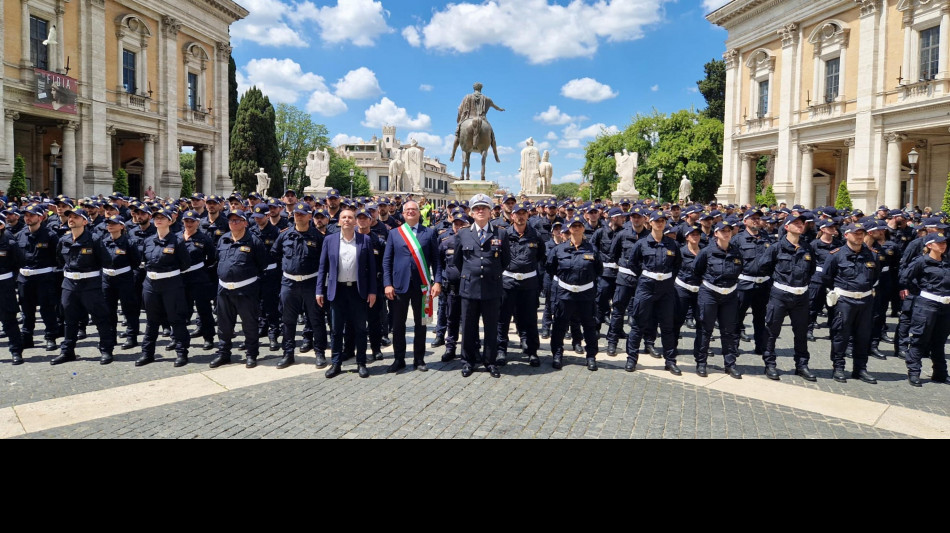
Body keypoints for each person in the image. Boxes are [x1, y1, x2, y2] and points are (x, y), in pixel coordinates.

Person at [451, 194, 510, 378]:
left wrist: (492, 273)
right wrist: (471, 274)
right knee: (468, 327)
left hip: (492, 287)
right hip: (469, 287)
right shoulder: (463, 233)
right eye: (477, 208)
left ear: (490, 211)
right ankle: (468, 361)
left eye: (484, 208)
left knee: (491, 327)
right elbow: (458, 260)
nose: (480, 211)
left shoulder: (501, 233)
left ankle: (490, 361)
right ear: (471, 212)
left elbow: (506, 260)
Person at [754, 214, 818, 381]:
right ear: (787, 227)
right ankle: (770, 364)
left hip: (801, 296)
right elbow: (763, 267)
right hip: (780, 295)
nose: (800, 225)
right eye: (795, 223)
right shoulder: (776, 248)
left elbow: (811, 270)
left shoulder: (807, 248)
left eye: (801, 223)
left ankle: (802, 365)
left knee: (801, 332)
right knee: (772, 330)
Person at [316, 205, 378, 379]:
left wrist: (372, 291)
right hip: (337, 290)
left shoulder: (365, 240)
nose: (347, 220)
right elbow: (322, 268)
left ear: (355, 221)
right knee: (336, 329)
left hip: (358, 290)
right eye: (344, 217)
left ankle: (361, 362)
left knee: (360, 328)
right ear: (339, 221)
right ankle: (336, 363)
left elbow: (372, 269)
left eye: (350, 217)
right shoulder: (330, 240)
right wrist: (319, 290)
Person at [383, 200, 442, 373]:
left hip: (422, 286)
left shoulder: (429, 232)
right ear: (403, 213)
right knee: (398, 325)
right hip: (399, 286)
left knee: (421, 324)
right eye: (407, 209)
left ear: (419, 212)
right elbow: (387, 261)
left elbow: (437, 261)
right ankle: (399, 359)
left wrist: (437, 282)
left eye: (414, 209)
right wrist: (387, 284)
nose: (410, 211)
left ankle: (419, 359)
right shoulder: (394, 233)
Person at [52, 208, 117, 365]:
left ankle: (106, 350)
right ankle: (67, 351)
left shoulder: (94, 239)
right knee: (70, 319)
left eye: (76, 217)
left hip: (90, 285)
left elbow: (106, 260)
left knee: (100, 318)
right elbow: (59, 260)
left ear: (85, 221)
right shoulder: (64, 239)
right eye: (70, 217)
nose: (71, 219)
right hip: (69, 285)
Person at [821, 222, 881, 384]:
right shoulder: (836, 255)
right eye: (856, 233)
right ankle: (838, 367)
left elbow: (875, 277)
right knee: (841, 335)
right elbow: (826, 277)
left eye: (862, 233)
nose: (859, 236)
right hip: (845, 300)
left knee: (863, 336)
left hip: (865, 300)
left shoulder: (872, 255)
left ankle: (860, 369)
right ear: (846, 235)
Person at [624, 210, 682, 375]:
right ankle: (631, 358)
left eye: (663, 221)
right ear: (650, 223)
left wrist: (667, 278)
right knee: (638, 324)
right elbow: (633, 263)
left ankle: (670, 361)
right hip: (646, 286)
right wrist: (646, 276)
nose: (660, 223)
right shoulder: (642, 243)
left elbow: (677, 264)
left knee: (667, 326)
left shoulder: (672, 244)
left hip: (666, 289)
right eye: (657, 221)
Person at [271, 202, 328, 370]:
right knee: (288, 320)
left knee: (316, 319)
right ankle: (288, 353)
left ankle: (319, 353)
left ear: (310, 216)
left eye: (303, 214)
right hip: (289, 283)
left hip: (311, 282)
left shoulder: (318, 237)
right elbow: (275, 253)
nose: (299, 217)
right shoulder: (284, 235)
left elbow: (324, 262)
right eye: (296, 214)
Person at [210, 210, 268, 369]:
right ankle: (224, 353)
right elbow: (217, 260)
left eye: (237, 220)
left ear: (245, 223)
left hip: (246, 290)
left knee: (249, 324)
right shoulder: (223, 239)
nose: (233, 223)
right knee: (224, 325)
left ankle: (251, 354)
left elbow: (262, 264)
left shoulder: (254, 241)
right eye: (231, 220)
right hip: (224, 290)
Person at [546, 215, 603, 371]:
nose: (576, 228)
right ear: (569, 229)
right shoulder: (559, 249)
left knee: (589, 326)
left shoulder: (592, 249)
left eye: (579, 226)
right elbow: (551, 269)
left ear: (583, 228)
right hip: (565, 293)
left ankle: (591, 356)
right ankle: (557, 354)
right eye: (573, 226)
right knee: (559, 325)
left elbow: (599, 270)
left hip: (586, 294)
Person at [136, 208, 192, 367]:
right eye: (156, 217)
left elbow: (185, 264)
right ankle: (147, 353)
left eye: (162, 217)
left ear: (170, 221)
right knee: (151, 321)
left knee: (176, 319)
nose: (158, 220)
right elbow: (144, 261)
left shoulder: (177, 241)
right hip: (150, 284)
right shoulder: (148, 240)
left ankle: (181, 353)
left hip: (171, 284)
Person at [691, 221, 745, 378]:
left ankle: (730, 364)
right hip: (710, 293)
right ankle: (701, 363)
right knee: (705, 329)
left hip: (730, 295)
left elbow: (739, 269)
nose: (726, 233)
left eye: (728, 231)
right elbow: (696, 270)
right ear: (716, 233)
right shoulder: (707, 252)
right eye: (723, 231)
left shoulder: (736, 252)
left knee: (728, 330)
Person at [496, 202, 545, 368]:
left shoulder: (535, 235)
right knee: (503, 318)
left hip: (529, 283)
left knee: (530, 318)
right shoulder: (504, 234)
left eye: (524, 213)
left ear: (528, 215)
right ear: (512, 216)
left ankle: (532, 351)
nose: (521, 217)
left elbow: (540, 256)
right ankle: (501, 350)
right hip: (508, 282)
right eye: (518, 214)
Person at [900, 232, 950, 387]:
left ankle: (940, 373)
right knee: (920, 339)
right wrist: (919, 292)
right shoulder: (921, 261)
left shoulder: (947, 262)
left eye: (944, 242)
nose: (943, 245)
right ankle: (914, 372)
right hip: (926, 305)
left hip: (945, 306)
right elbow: (905, 278)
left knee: (939, 341)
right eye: (939, 243)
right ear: (929, 245)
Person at [17, 205, 61, 353]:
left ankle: (50, 337)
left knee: (47, 309)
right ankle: (27, 337)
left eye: (31, 215)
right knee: (26, 310)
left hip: (44, 277)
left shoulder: (50, 235)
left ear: (41, 217)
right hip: (25, 278)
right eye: (26, 215)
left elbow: (58, 257)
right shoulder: (20, 235)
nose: (27, 218)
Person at [732, 209, 773, 356]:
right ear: (745, 221)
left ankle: (760, 345)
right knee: (738, 316)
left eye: (758, 218)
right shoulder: (738, 239)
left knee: (760, 316)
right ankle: (733, 345)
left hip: (763, 284)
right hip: (744, 283)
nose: (756, 220)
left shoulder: (766, 238)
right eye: (752, 218)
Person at [100, 214, 142, 352]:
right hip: (107, 279)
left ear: (122, 226)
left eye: (114, 223)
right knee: (108, 310)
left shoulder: (129, 242)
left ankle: (131, 336)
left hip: (124, 278)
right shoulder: (103, 242)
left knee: (129, 309)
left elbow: (136, 261)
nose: (110, 226)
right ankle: (111, 336)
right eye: (108, 223)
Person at [179, 210, 217, 353]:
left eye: (192, 221)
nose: (189, 224)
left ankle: (208, 337)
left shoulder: (204, 238)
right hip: (180, 278)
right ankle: (178, 338)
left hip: (198, 278)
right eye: (186, 221)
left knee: (204, 309)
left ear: (197, 223)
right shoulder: (177, 237)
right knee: (180, 310)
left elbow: (212, 258)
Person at [357, 206, 388, 362]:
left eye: (365, 218)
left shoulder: (378, 241)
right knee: (354, 320)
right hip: (356, 284)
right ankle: (352, 348)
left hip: (374, 285)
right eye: (359, 218)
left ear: (371, 220)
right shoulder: (351, 239)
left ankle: (376, 348)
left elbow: (385, 264)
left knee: (374, 319)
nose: (362, 221)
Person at [250, 204, 282, 352]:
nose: (257, 219)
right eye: (255, 217)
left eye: (260, 217)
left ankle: (273, 334)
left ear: (268, 216)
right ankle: (262, 328)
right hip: (256, 273)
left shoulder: (276, 232)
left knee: (271, 306)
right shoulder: (252, 231)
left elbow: (279, 254)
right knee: (258, 305)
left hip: (271, 273)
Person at [672, 224, 702, 366]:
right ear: (687, 237)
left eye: (697, 234)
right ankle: (672, 347)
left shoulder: (704, 252)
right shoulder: (680, 252)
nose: (695, 236)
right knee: (677, 320)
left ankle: (700, 350)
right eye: (692, 234)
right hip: (682, 288)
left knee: (702, 321)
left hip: (700, 290)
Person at [591, 208, 624, 326]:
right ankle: (596, 327)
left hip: (619, 273)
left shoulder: (624, 233)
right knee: (601, 300)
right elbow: (592, 248)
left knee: (619, 303)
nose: (623, 219)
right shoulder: (600, 232)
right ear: (614, 218)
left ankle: (617, 329)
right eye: (621, 217)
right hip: (604, 273)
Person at [0, 217, 25, 364]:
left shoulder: (9, 243)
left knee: (9, 319)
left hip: (4, 285)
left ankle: (16, 350)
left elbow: (19, 262)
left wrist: (10, 280)